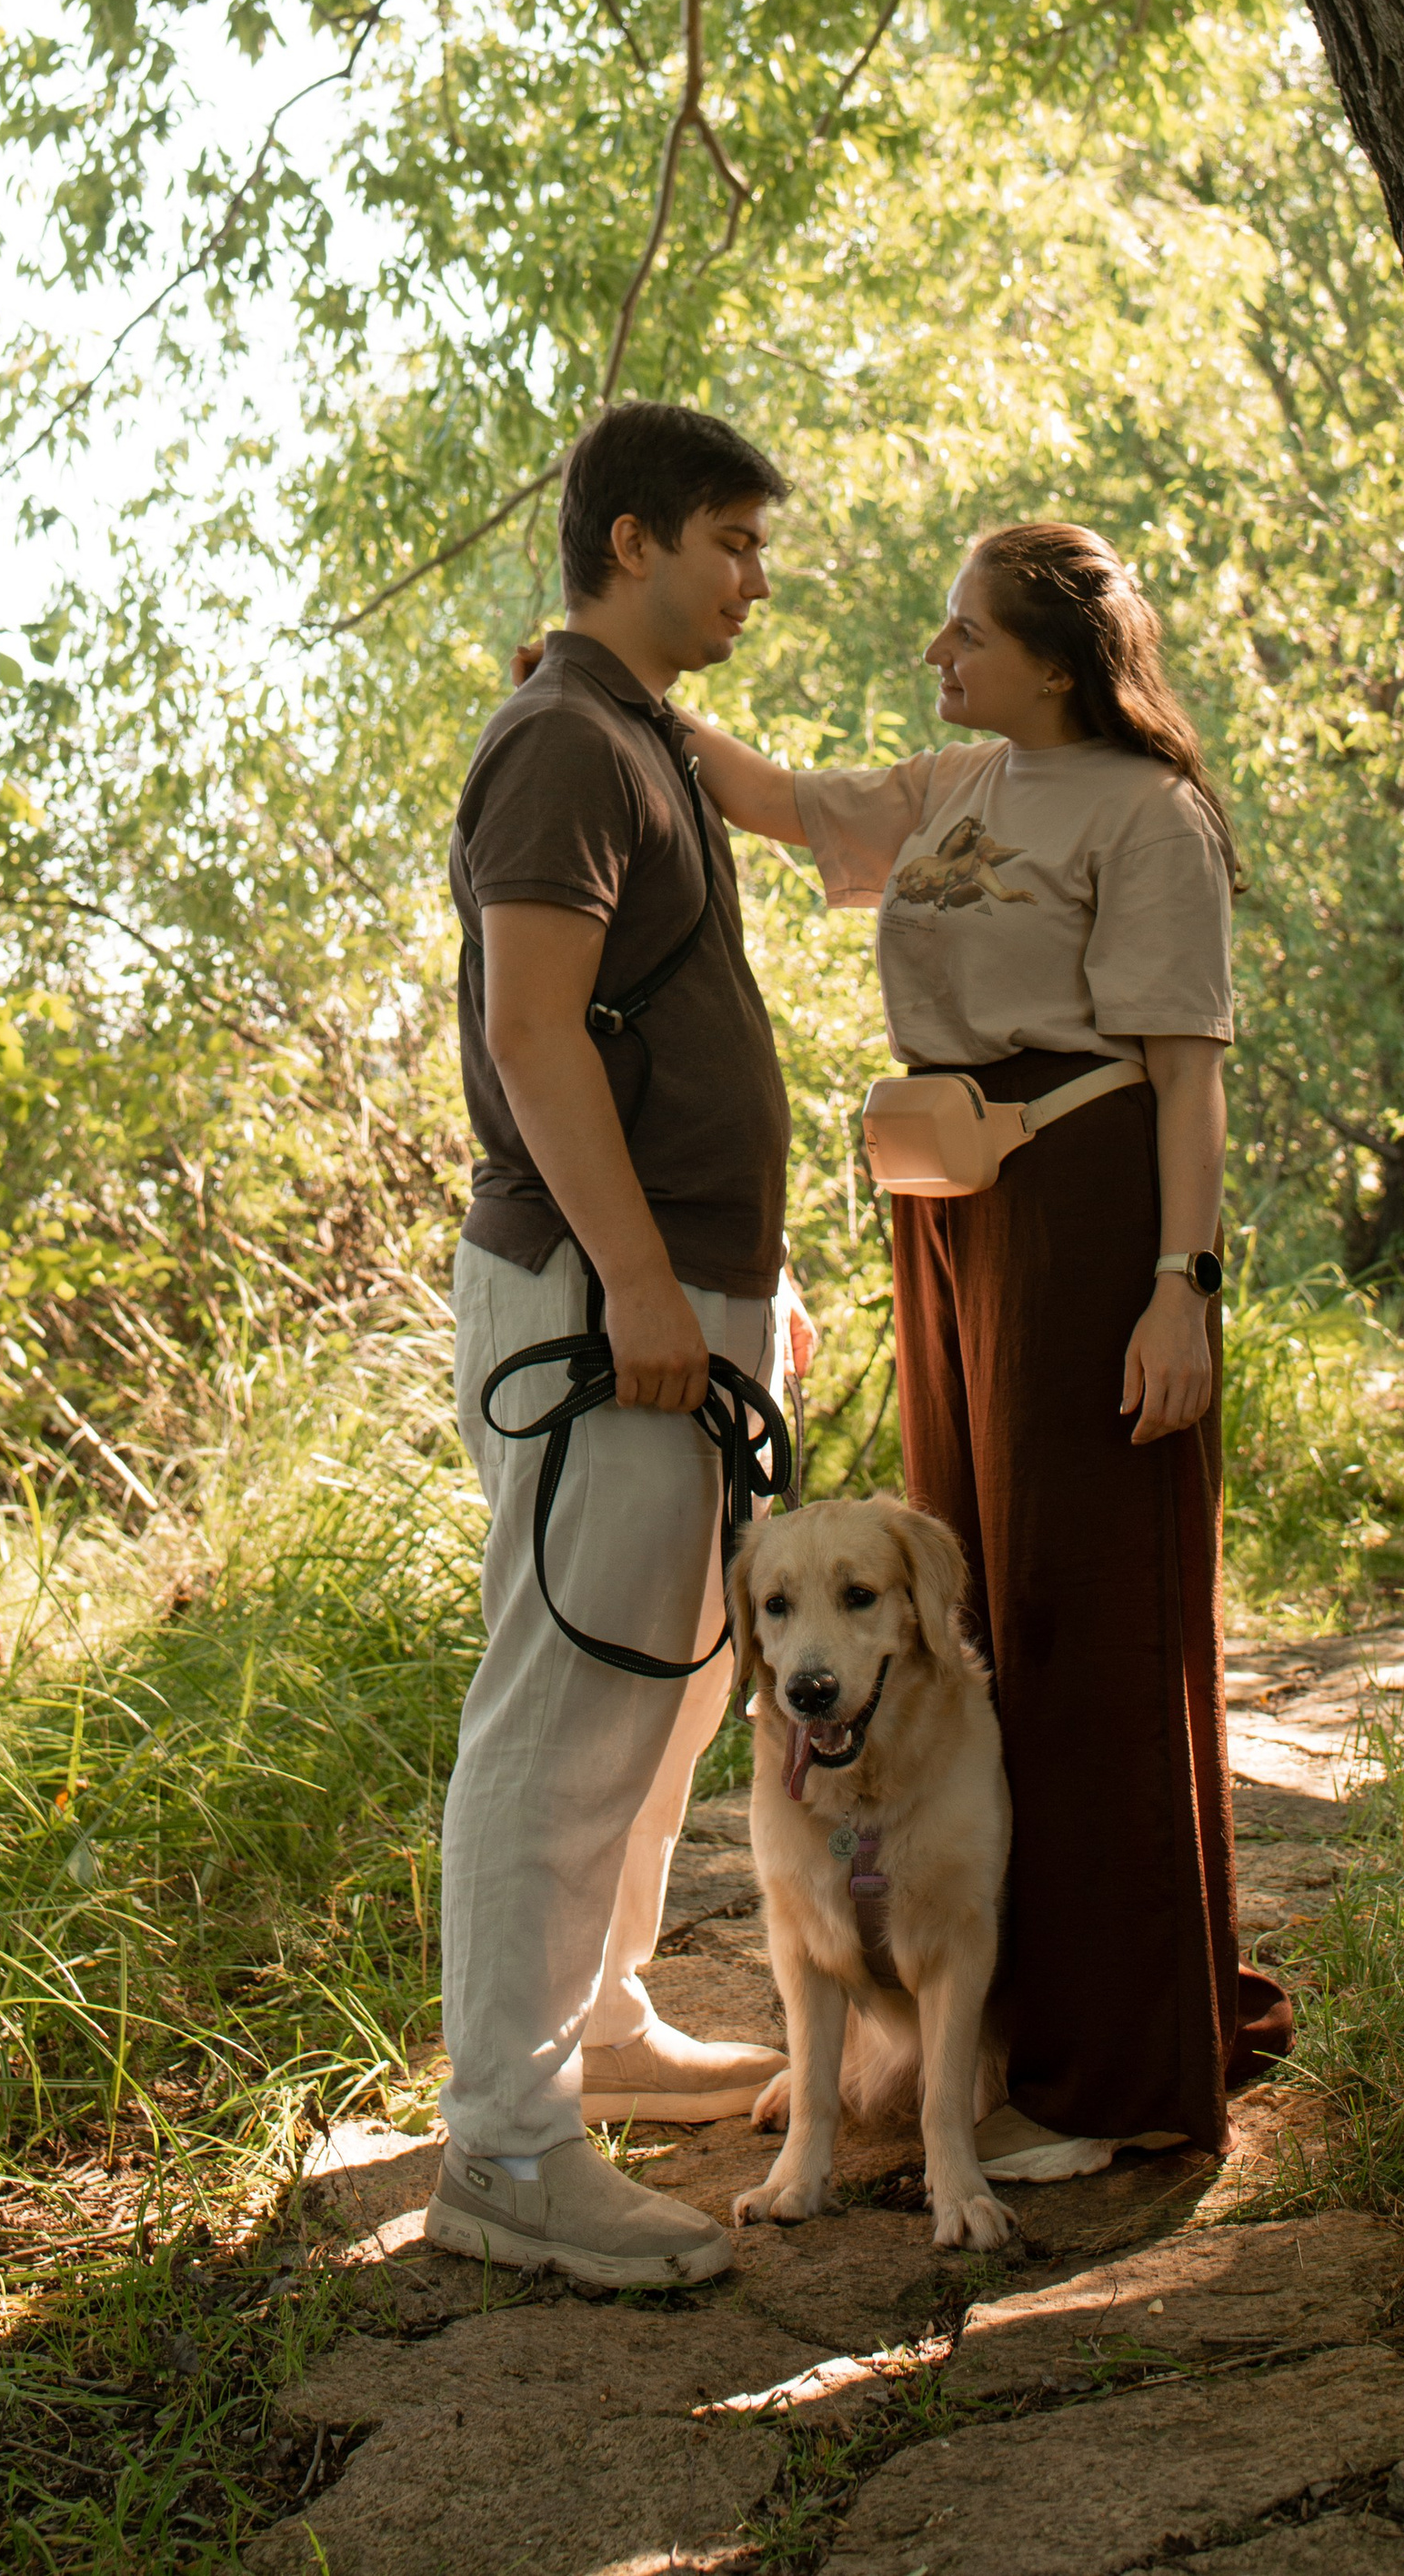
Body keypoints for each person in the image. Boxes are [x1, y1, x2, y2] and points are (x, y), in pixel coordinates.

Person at [682, 520, 1290, 2173]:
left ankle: (1119, 2075)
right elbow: (777, 798)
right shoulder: (957, 784)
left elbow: (1187, 1073)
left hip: (1089, 1211)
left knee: (1090, 1617)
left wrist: (1181, 1285)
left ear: (1057, 661)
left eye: (965, 633)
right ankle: (1006, 2031)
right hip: (950, 1215)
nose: (936, 654)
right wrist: (617, 684)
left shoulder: (1148, 813)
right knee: (973, 1619)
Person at [424, 398, 805, 2288]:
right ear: (631, 539)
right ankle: (503, 2144)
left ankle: (605, 2029)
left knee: (671, 1693)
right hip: (601, 1304)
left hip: (681, 1294)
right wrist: (645, 1285)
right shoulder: (565, 742)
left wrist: (736, 1283)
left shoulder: (636, 731)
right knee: (568, 1709)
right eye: (730, 542)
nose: (753, 580)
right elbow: (532, 1032)